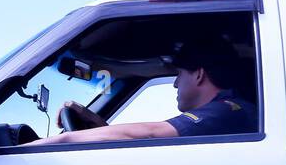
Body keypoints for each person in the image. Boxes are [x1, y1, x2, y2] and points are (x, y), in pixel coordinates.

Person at [27, 37, 256, 145]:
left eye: (179, 74)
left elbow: (151, 134)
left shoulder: (227, 111)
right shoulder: (227, 112)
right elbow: (143, 142)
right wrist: (93, 121)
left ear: (198, 74)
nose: (175, 84)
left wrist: (62, 140)